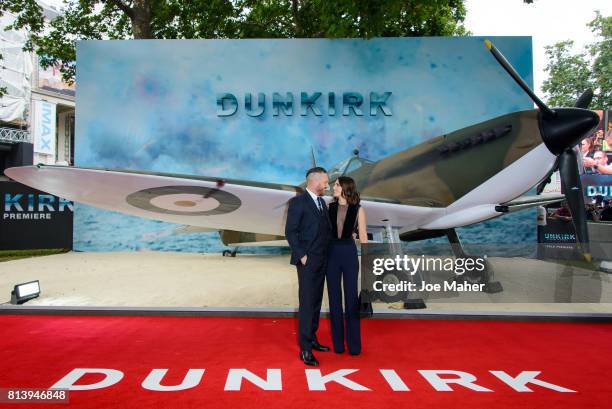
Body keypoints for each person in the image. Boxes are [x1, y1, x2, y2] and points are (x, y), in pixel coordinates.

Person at [285, 167, 331, 366]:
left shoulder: (322, 203)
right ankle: (305, 349)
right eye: (325, 181)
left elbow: (325, 231)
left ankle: (312, 339)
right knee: (307, 303)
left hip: (322, 259)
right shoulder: (298, 202)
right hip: (308, 261)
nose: (327, 185)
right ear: (314, 181)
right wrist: (302, 255)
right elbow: (291, 232)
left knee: (316, 302)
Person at [326, 176, 368, 355]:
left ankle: (354, 346)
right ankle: (338, 345)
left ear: (344, 188)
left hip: (350, 255)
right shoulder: (329, 207)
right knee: (334, 300)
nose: (333, 187)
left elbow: (364, 237)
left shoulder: (359, 209)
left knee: (351, 300)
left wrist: (367, 265)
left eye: (336, 185)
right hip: (331, 255)